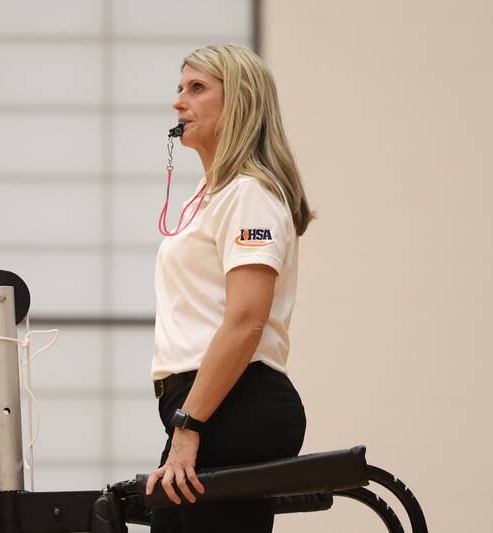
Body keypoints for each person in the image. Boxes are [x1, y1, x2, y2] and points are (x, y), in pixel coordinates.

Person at [144, 44, 315, 533]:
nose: (179, 102)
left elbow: (245, 321)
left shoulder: (249, 193)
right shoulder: (210, 196)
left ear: (238, 101)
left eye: (197, 89)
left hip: (235, 403)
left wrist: (189, 425)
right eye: (180, 89)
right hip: (203, 405)